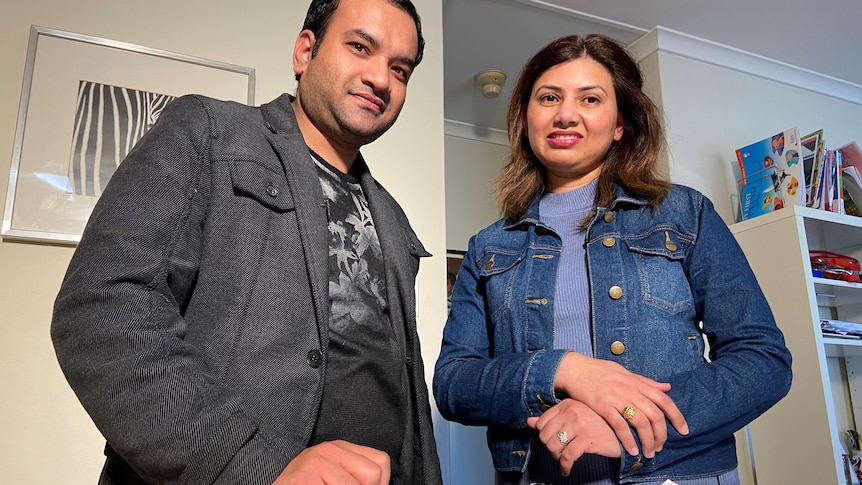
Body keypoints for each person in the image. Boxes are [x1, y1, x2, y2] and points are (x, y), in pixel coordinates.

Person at [50, 0, 443, 484]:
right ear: (305, 51)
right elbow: (102, 310)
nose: (381, 78)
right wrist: (253, 467)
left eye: (400, 69)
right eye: (361, 46)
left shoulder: (392, 215)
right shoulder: (209, 132)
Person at [433, 34, 792, 484]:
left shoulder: (685, 214)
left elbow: (763, 361)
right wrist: (564, 369)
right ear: (526, 118)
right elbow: (452, 384)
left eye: (590, 98)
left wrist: (625, 428)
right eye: (549, 97)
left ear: (620, 123)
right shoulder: (488, 247)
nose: (566, 113)